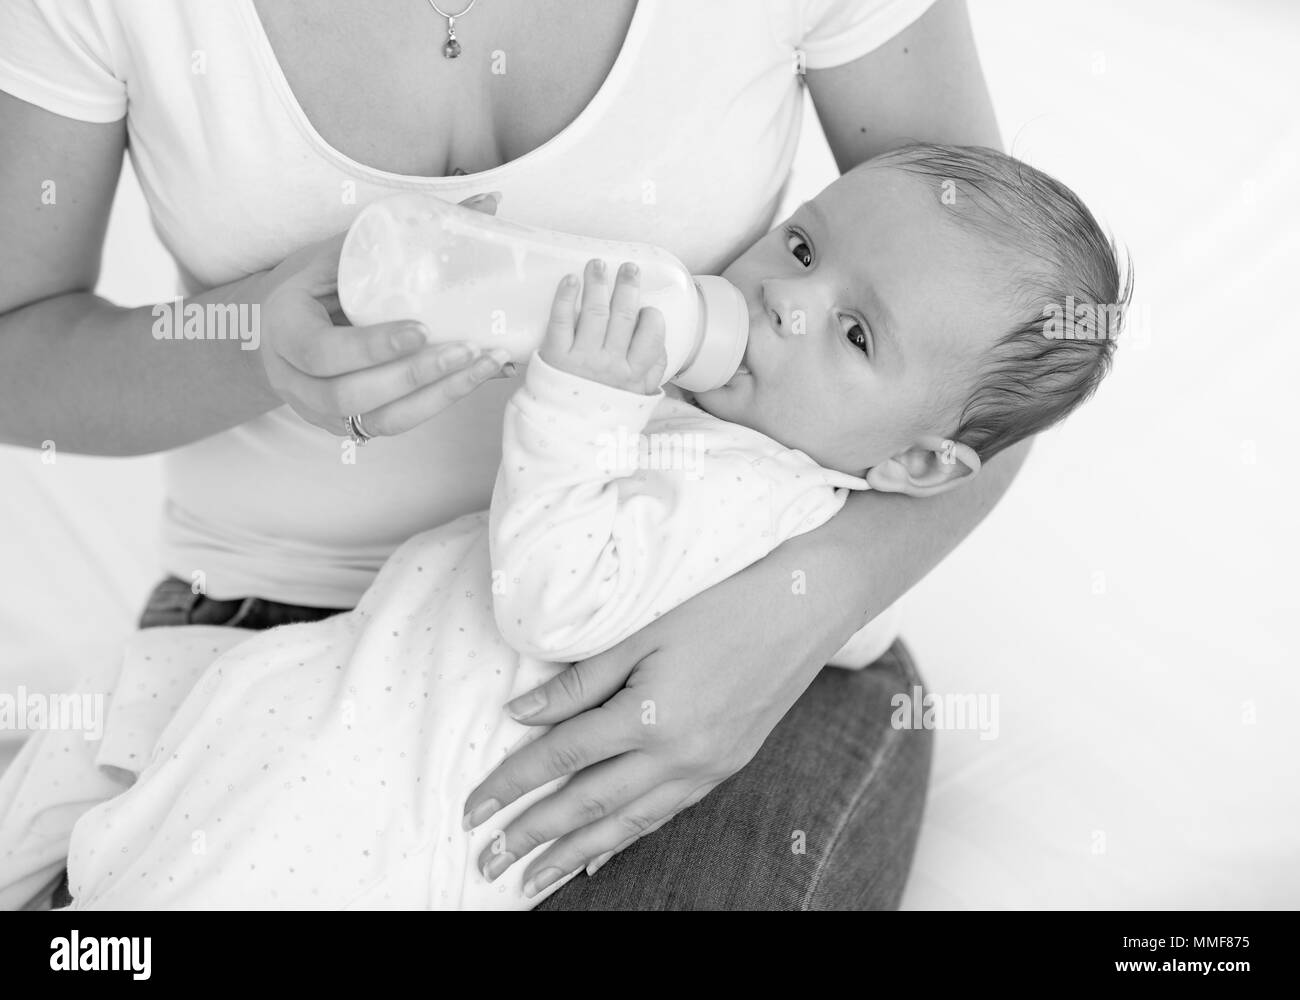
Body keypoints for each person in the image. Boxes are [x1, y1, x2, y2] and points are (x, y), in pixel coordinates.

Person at [0, 0, 1019, 909]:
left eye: (848, 330)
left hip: (699, 650)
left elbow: (1010, 348)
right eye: (799, 251)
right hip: (270, 629)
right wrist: (250, 342)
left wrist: (777, 625)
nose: (790, 300)